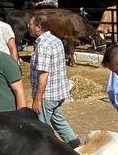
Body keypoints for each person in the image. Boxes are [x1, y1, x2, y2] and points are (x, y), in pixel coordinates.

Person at [28, 14, 80, 147]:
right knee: (59, 121)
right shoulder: (55, 40)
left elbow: (43, 74)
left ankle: (45, 151)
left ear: (38, 28)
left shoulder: (43, 45)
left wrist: (37, 99)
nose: (28, 26)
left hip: (47, 95)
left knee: (41, 127)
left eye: (31, 24)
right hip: (57, 92)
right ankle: (75, 145)